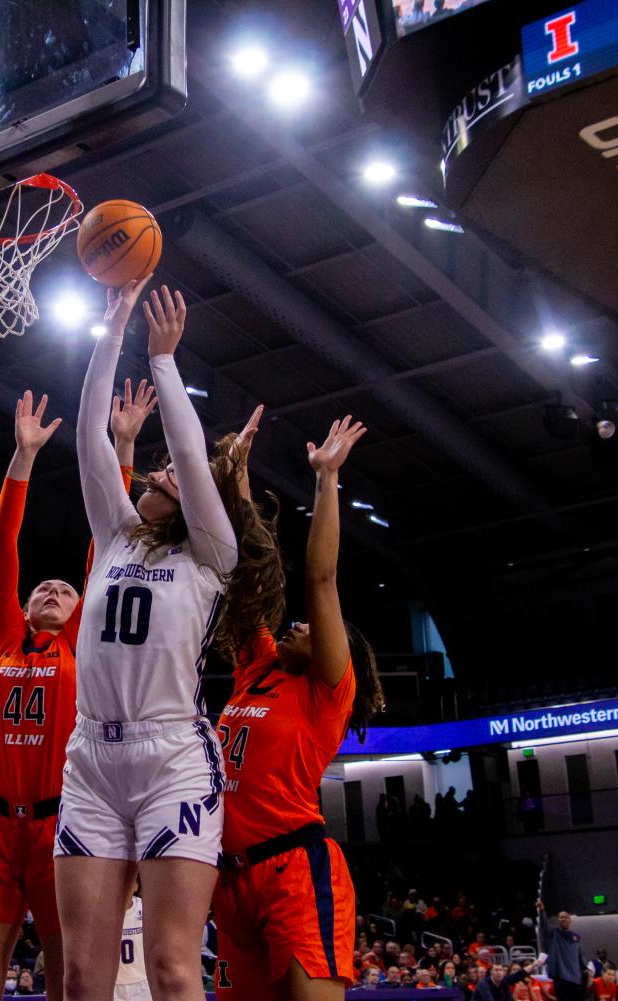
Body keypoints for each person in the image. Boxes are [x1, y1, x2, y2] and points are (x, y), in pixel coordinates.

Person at [59, 279, 280, 1001]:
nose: (155, 471)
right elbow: (90, 430)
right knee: (80, 974)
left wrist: (163, 361)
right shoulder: (116, 531)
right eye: (152, 470)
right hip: (90, 755)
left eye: (166, 474)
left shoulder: (209, 555)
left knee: (173, 968)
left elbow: (190, 457)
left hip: (170, 762)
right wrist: (111, 325)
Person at [0, 385, 153, 1001]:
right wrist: (23, 458)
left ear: (81, 609)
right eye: (42, 588)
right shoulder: (2, 643)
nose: (50, 591)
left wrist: (123, 445)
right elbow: (1, 552)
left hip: (61, 827)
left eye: (66, 591)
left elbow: (108, 547)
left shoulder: (81, 649)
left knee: (72, 986)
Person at [212, 416, 385, 1001]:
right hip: (228, 878)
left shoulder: (325, 691)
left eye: (311, 628)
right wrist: (235, 475)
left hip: (293, 868)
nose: (299, 623)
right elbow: (245, 573)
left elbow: (321, 577)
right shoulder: (257, 665)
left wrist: (326, 479)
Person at [538, 900, 585, 1001]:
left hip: (575, 978)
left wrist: (586, 969)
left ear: (570, 920)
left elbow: (580, 956)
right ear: (558, 920)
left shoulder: (576, 937)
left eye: (565, 917)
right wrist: (542, 911)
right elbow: (544, 926)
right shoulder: (554, 932)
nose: (563, 919)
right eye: (561, 917)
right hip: (561, 979)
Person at [115, 881, 150, 1001]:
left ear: (136, 886)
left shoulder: (146, 909)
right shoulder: (103, 912)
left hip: (143, 983)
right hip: (113, 984)